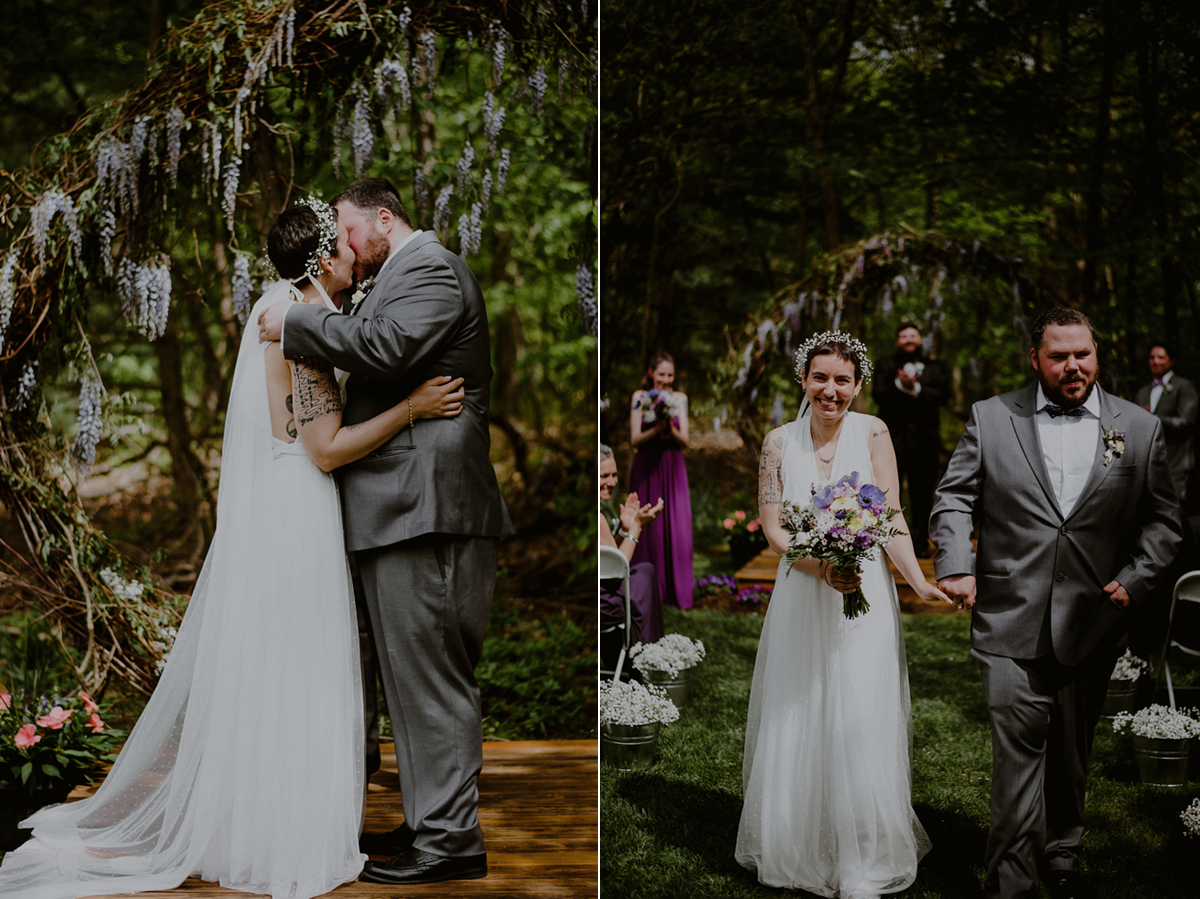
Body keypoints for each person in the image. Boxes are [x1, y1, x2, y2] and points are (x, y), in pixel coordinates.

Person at [0, 198, 466, 899]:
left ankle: (267, 821)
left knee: (277, 667)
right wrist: (412, 408)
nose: (355, 250)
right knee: (302, 671)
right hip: (302, 508)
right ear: (324, 260)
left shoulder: (283, 308)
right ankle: (288, 835)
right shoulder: (300, 328)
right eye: (343, 243)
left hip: (283, 508)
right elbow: (327, 446)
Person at [258, 178, 513, 886]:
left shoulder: (429, 266)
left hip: (423, 505)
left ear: (382, 217)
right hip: (401, 506)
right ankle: (432, 818)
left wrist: (296, 323)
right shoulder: (393, 275)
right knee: (413, 678)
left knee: (431, 675)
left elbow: (387, 344)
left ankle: (451, 838)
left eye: (346, 229)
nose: (343, 245)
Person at [931, 308, 1182, 899]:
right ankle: (1012, 883)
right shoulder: (992, 418)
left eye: (1082, 354)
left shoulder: (1140, 427)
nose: (1072, 366)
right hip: (1007, 612)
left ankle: (1063, 848)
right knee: (1018, 753)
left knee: (1071, 753)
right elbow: (953, 498)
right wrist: (956, 566)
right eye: (1058, 356)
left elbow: (1164, 520)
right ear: (1035, 359)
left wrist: (1137, 576)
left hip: (1094, 616)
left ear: (1096, 354)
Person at [735, 331, 945, 897]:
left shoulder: (874, 432)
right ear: (804, 379)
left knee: (859, 708)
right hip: (804, 590)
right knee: (797, 706)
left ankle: (860, 856)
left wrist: (918, 581)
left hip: (865, 595)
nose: (831, 391)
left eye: (843, 380)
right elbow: (777, 529)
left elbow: (892, 514)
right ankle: (792, 840)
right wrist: (822, 568)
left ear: (858, 385)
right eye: (821, 378)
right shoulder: (778, 442)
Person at [871, 322, 949, 557]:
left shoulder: (936, 367)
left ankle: (918, 543)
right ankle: (883, 539)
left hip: (925, 441)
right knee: (885, 491)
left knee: (923, 493)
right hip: (890, 440)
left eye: (913, 335)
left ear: (920, 340)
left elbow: (943, 396)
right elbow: (878, 394)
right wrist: (900, 387)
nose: (908, 340)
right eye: (903, 335)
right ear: (897, 340)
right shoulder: (885, 365)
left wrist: (914, 387)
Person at [628, 353, 694, 608]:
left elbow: (685, 441)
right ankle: (649, 589)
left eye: (670, 375)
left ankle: (677, 590)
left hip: (672, 464)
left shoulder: (680, 399)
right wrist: (656, 429)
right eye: (662, 374)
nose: (666, 380)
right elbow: (634, 439)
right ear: (651, 373)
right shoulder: (639, 398)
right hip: (647, 465)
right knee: (649, 528)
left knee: (675, 525)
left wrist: (670, 427)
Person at [599, 444, 665, 666]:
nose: (612, 482)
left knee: (644, 570)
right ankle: (643, 659)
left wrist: (625, 530)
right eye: (604, 476)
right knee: (645, 573)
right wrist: (636, 526)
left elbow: (607, 556)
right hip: (603, 606)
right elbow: (617, 572)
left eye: (614, 474)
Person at [1134, 342, 1197, 503]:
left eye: (1161, 357)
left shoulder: (1184, 387)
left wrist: (1152, 417)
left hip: (1176, 462)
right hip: (1147, 463)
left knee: (1175, 510)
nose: (1155, 361)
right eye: (1152, 357)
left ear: (1171, 361)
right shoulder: (1143, 391)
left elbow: (1186, 422)